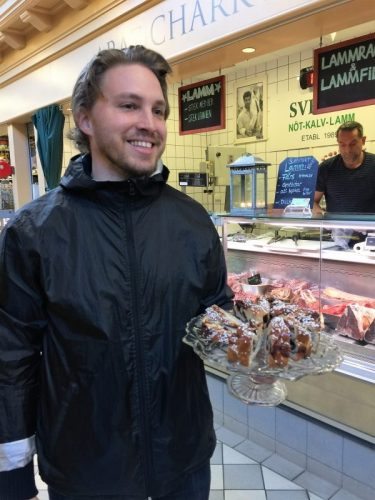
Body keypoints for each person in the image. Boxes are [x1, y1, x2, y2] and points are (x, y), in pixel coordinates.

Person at [0, 46, 233, 500]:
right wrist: (11, 469)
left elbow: (215, 312)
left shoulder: (192, 221)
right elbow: (11, 356)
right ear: (85, 118)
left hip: (182, 462)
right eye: (129, 105)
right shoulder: (34, 232)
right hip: (85, 470)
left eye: (158, 109)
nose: (150, 123)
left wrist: (255, 350)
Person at [314, 121, 375, 214]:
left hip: (369, 227)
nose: (348, 150)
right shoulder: (326, 168)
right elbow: (312, 201)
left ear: (363, 140)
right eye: (342, 144)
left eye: (353, 144)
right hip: (336, 227)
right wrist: (322, 214)